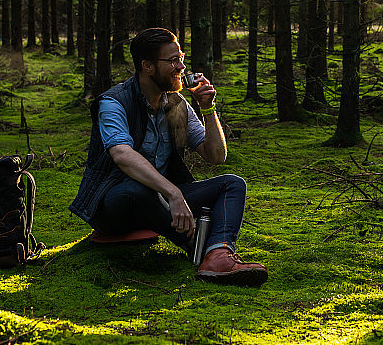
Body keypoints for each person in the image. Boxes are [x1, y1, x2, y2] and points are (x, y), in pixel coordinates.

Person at [69, 27, 268, 286]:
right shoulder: (113, 102)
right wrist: (174, 194)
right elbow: (121, 154)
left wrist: (208, 109)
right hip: (115, 206)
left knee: (232, 183)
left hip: (161, 202)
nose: (182, 66)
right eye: (173, 61)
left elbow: (215, 156)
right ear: (148, 66)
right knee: (137, 188)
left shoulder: (177, 104)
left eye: (181, 57)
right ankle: (196, 247)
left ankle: (218, 254)